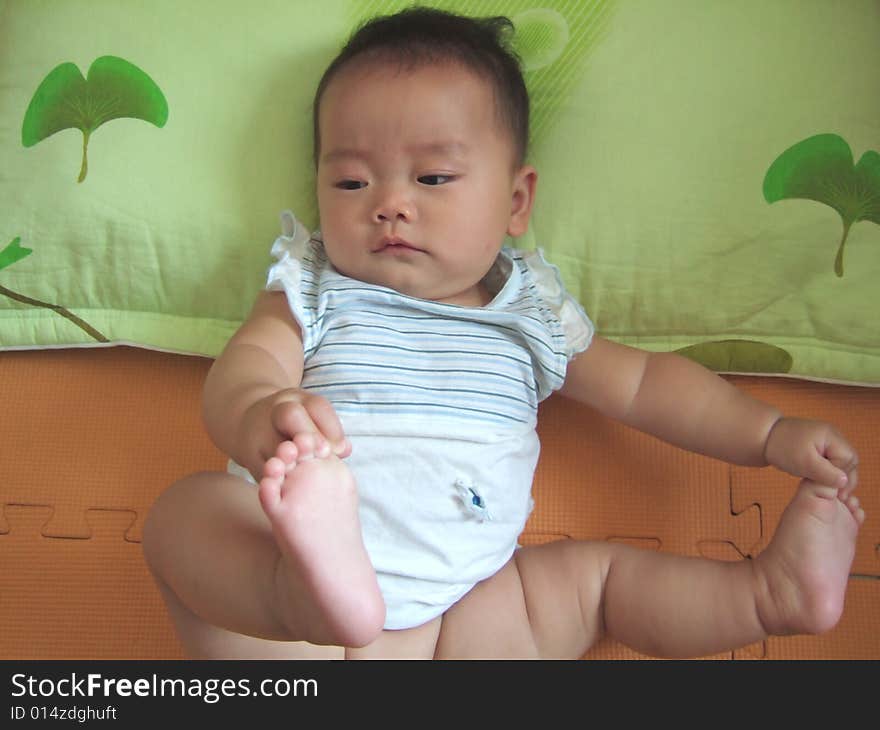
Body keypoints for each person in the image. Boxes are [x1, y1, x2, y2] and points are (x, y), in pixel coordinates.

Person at [142, 7, 864, 660]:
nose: (390, 204)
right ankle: (303, 590)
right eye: (353, 183)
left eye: (433, 178)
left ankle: (770, 596)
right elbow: (244, 372)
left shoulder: (530, 312)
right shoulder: (314, 283)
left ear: (516, 201)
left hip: (472, 612)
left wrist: (767, 435)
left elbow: (648, 386)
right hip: (297, 625)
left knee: (602, 583)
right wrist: (265, 415)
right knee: (185, 516)